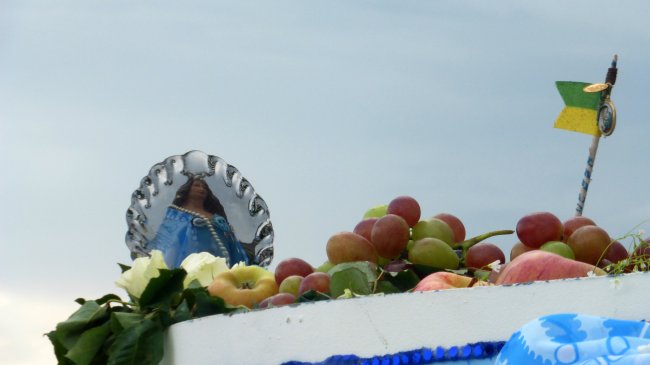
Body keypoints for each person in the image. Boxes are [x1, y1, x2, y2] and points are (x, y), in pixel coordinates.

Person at [148, 177, 249, 268]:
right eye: (197, 185)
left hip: (220, 264)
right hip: (188, 263)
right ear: (187, 189)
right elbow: (166, 239)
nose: (202, 189)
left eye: (204, 187)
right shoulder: (175, 213)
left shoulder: (217, 217)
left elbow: (231, 242)